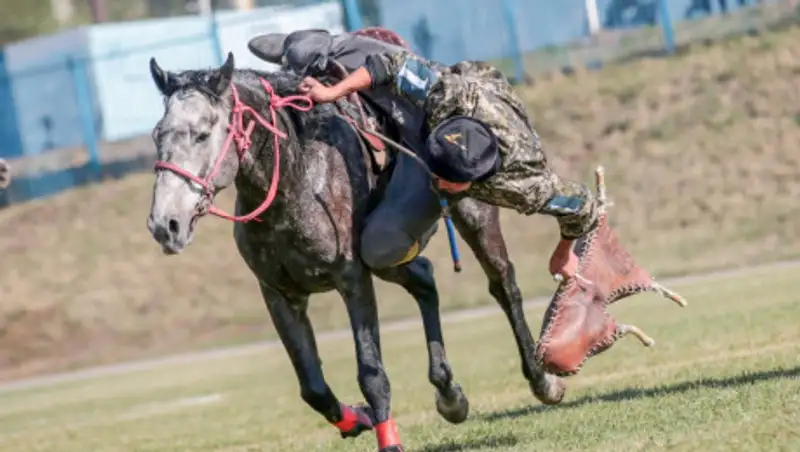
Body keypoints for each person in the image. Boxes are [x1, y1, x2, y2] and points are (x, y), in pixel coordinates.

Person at [298, 50, 600, 279]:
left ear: (469, 181)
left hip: (502, 124)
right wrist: (333, 92)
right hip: (465, 83)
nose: (436, 179)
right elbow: (390, 63)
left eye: (444, 180)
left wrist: (564, 253)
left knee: (379, 250)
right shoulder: (448, 98)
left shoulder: (524, 185)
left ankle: (424, 229)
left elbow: (583, 204)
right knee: (339, 52)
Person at [248, 28, 446, 270]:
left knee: (379, 248)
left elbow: (387, 69)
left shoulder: (436, 88)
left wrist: (332, 92)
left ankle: (422, 234)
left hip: (428, 128)